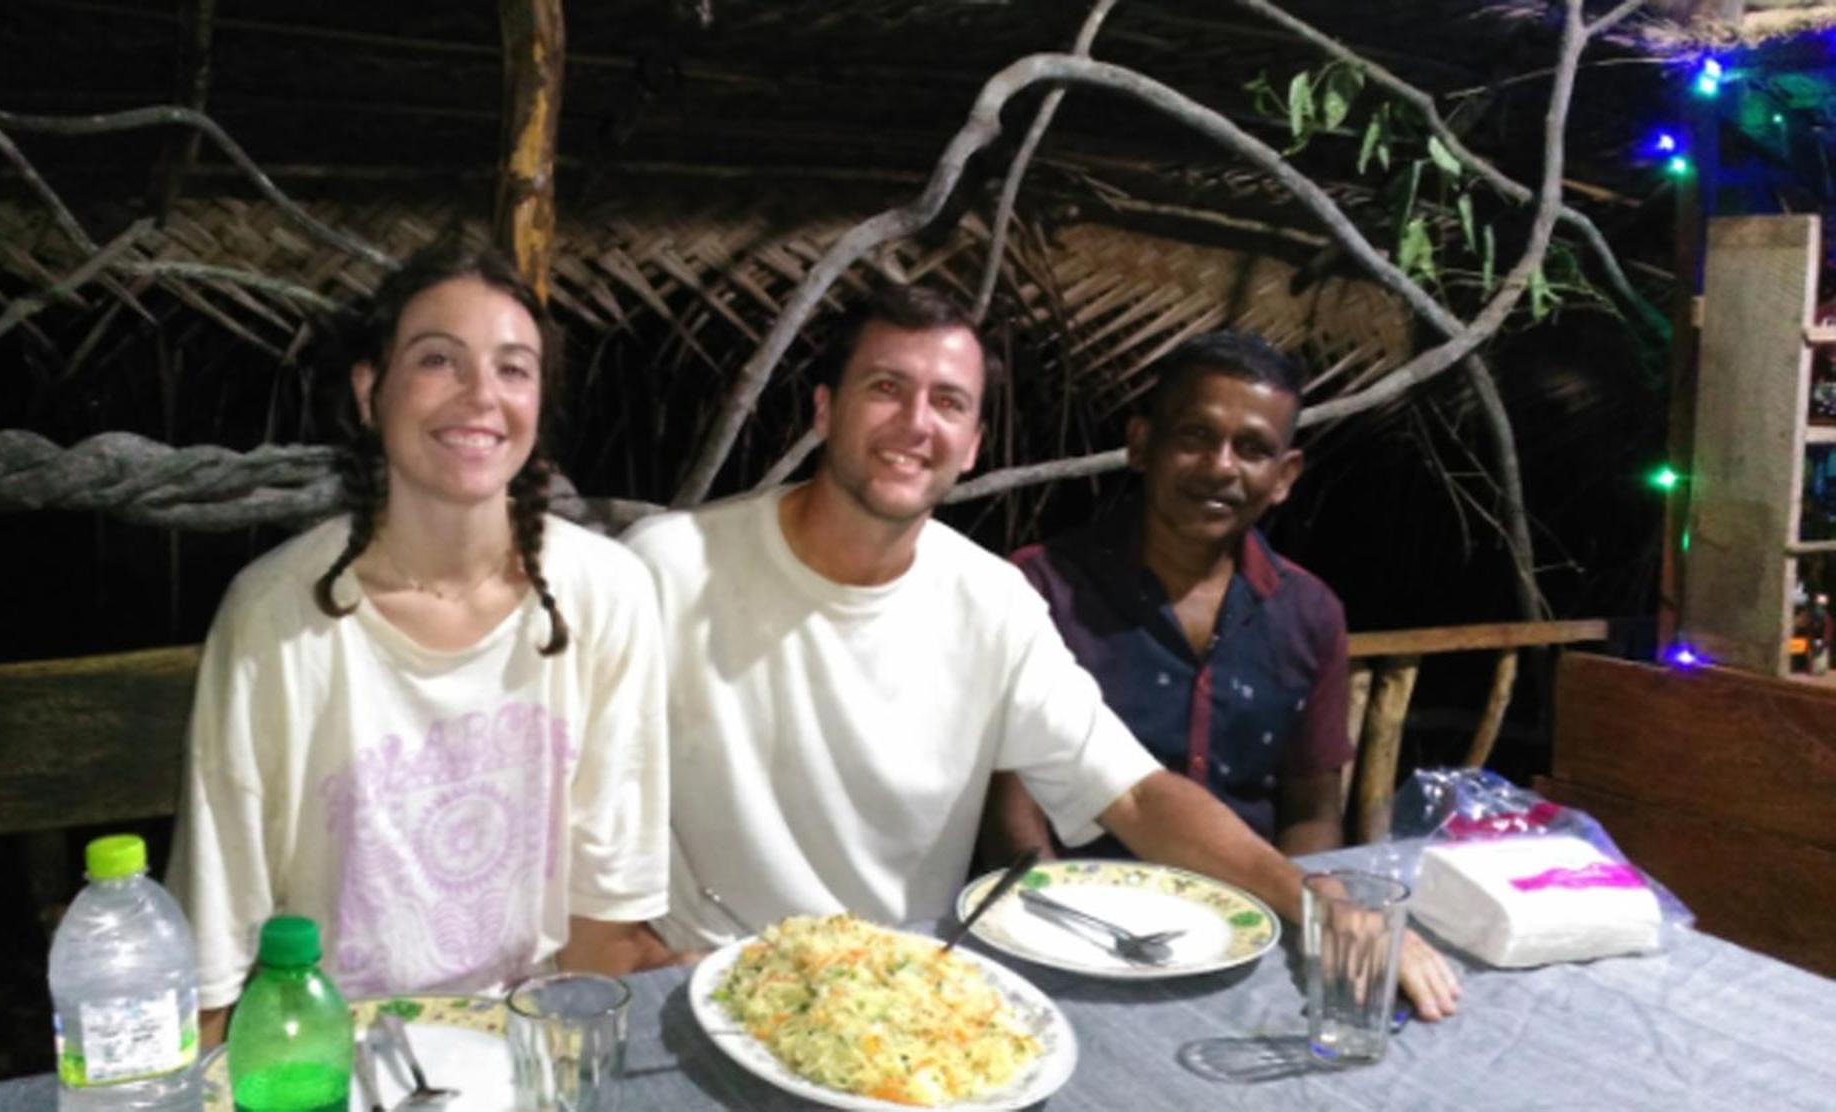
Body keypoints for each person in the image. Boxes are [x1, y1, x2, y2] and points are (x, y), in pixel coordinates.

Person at [623, 285, 1460, 1020]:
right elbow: (571, 797)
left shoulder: (991, 603)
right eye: (885, 388)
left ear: (975, 442)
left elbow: (1137, 797)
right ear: (822, 410)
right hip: (702, 983)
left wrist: (1313, 901)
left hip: (896, 995)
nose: (916, 423)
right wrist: (632, 957)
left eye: (948, 402)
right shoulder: (665, 568)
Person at [169, 243, 672, 1045]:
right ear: (372, 392)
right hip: (330, 1056)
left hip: (527, 1044)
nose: (481, 397)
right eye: (439, 360)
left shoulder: (608, 597)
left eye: (514, 370)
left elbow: (604, 919)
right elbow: (217, 940)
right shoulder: (278, 616)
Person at [984, 331, 1350, 864]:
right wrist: (1049, 921)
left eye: (1252, 449)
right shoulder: (1043, 589)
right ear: (1141, 444)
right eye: (1195, 436)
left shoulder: (1310, 613)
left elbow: (1312, 814)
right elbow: (1011, 809)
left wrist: (1302, 915)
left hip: (1249, 919)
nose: (1221, 466)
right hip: (1074, 911)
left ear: (1283, 477)